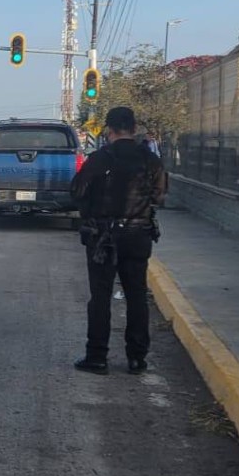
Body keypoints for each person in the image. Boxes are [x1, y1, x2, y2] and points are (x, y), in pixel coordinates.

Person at [70, 106, 167, 375]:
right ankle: (137, 358)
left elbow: (77, 190)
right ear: (134, 129)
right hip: (139, 234)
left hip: (104, 237)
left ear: (108, 130)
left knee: (100, 296)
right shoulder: (150, 160)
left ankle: (97, 357)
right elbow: (160, 196)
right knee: (137, 295)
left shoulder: (100, 159)